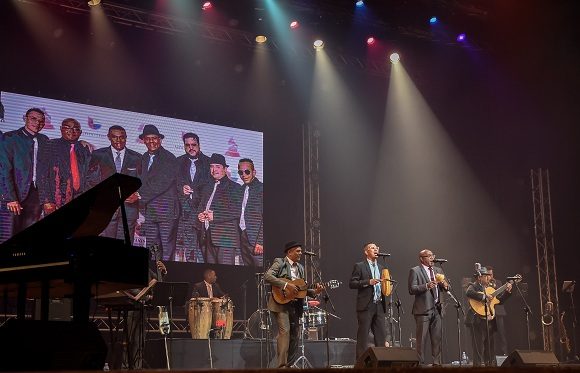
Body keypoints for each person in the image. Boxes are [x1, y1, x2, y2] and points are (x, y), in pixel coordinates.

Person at [264, 241, 323, 368]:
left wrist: (315, 292)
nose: (300, 253)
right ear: (289, 252)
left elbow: (301, 289)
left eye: (301, 251)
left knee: (294, 336)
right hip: (280, 303)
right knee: (285, 332)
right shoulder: (280, 262)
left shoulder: (300, 268)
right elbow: (267, 276)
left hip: (295, 306)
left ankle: (289, 365)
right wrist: (286, 285)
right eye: (298, 251)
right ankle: (281, 366)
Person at [86, 125, 141, 243]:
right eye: (114, 137)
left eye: (122, 137)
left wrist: (138, 194)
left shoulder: (137, 157)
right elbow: (90, 179)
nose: (118, 140)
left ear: (126, 138)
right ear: (108, 137)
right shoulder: (97, 155)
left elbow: (142, 181)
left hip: (129, 210)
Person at [0, 108, 49, 235]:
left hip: (36, 195)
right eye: (34, 118)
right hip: (14, 193)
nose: (38, 123)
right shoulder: (9, 138)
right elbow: (3, 169)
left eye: (41, 120)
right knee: (8, 233)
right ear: (25, 118)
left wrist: (79, 142)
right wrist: (10, 198)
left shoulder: (45, 140)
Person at [137, 125, 179, 261]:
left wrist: (138, 196)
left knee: (167, 250)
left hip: (166, 213)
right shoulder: (143, 158)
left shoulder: (169, 158)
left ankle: (167, 279)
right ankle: (154, 279)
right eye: (147, 139)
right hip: (150, 212)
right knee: (151, 249)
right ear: (143, 141)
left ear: (160, 140)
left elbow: (160, 183)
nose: (151, 142)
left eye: (154, 138)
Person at [39, 118, 91, 214]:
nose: (72, 131)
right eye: (68, 127)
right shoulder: (50, 145)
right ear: (61, 129)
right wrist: (46, 200)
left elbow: (89, 174)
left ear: (80, 132)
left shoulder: (84, 149)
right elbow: (42, 174)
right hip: (56, 198)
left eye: (76, 128)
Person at [197, 153, 241, 265]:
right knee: (210, 274)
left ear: (225, 169)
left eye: (218, 166)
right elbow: (201, 206)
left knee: (225, 275)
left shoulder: (235, 187)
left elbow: (237, 210)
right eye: (211, 166)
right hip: (207, 238)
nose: (214, 169)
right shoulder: (207, 187)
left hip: (225, 240)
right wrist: (200, 215)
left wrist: (215, 216)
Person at [408, 248, 448, 366]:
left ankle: (436, 362)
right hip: (423, 310)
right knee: (421, 339)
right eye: (429, 256)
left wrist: (445, 285)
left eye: (433, 255)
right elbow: (411, 289)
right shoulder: (415, 271)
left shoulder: (438, 270)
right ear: (422, 259)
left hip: (437, 308)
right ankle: (420, 364)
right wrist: (426, 285)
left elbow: (447, 287)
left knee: (436, 338)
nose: (432, 258)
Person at [465, 265, 512, 366]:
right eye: (486, 276)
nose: (489, 277)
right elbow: (469, 293)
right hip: (476, 319)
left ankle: (490, 364)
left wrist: (507, 292)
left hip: (489, 320)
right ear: (479, 277)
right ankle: (477, 366)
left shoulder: (490, 289)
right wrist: (484, 297)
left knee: (490, 345)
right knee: (478, 346)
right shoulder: (473, 285)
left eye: (489, 276)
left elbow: (500, 301)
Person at [175, 133, 211, 262]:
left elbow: (212, 187)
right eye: (187, 145)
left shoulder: (209, 163)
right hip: (184, 213)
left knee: (204, 252)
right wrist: (181, 189)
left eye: (194, 145)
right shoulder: (178, 162)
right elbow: (173, 184)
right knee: (189, 251)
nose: (191, 148)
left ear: (199, 145)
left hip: (203, 213)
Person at [349, 242, 387, 358]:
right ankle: (360, 363)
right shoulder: (360, 266)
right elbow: (352, 283)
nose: (376, 250)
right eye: (372, 248)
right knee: (363, 337)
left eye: (377, 248)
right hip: (366, 306)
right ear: (366, 252)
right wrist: (368, 282)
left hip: (379, 304)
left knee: (380, 336)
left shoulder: (381, 267)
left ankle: (381, 362)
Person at [236, 158, 263, 266]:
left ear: (254, 172)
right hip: (242, 238)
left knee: (260, 273)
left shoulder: (262, 188)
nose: (244, 175)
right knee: (247, 272)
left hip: (256, 240)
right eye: (240, 172)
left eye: (247, 171)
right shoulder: (240, 189)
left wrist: (260, 242)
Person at [486, 266, 508, 356]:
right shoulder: (484, 284)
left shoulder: (498, 282)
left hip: (498, 312)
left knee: (501, 333)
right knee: (491, 335)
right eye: (488, 275)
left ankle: (504, 353)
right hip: (488, 312)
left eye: (491, 274)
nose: (490, 276)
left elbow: (501, 297)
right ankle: (492, 355)